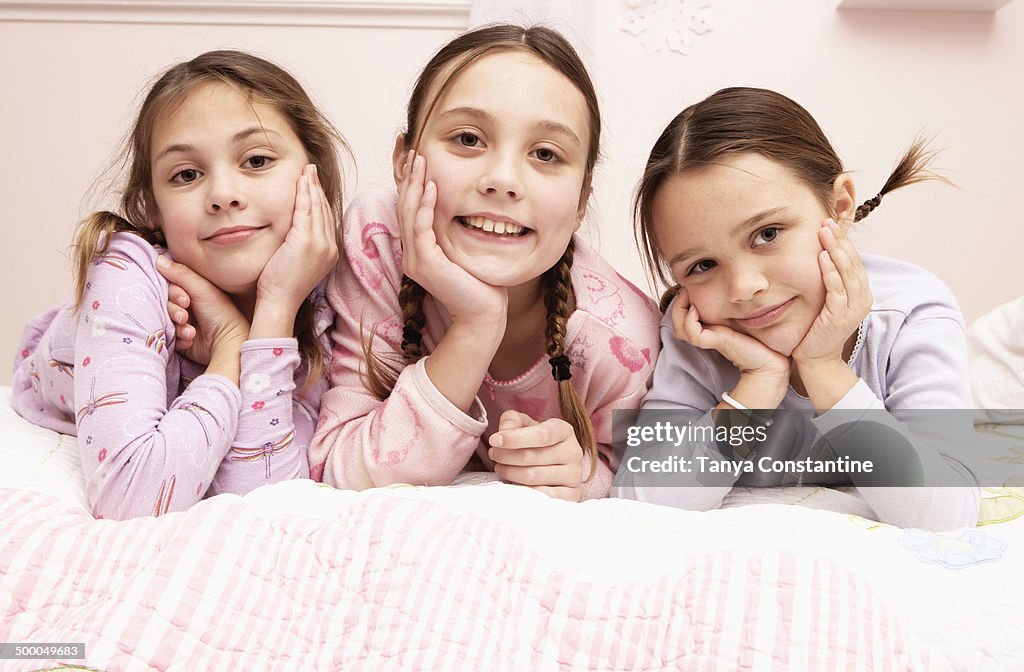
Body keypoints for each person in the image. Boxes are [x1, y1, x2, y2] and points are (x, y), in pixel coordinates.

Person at [308, 24, 661, 502]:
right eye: (469, 139)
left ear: (582, 200)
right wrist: (476, 324)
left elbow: (654, 480)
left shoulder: (620, 341)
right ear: (403, 160)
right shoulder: (378, 241)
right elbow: (341, 469)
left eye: (545, 153)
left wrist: (586, 475)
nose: (502, 179)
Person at [616, 87, 978, 530]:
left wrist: (823, 366)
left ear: (841, 204)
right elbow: (639, 499)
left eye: (767, 234)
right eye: (703, 265)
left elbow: (947, 514)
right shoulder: (697, 336)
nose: (745, 287)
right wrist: (756, 386)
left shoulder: (911, 313)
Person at [11, 50, 346, 519]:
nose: (224, 194)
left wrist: (275, 310)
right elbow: (134, 498)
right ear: (153, 208)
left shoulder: (328, 293)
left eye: (256, 160)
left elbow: (265, 496)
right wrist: (234, 344)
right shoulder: (128, 274)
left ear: (317, 177)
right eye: (187, 174)